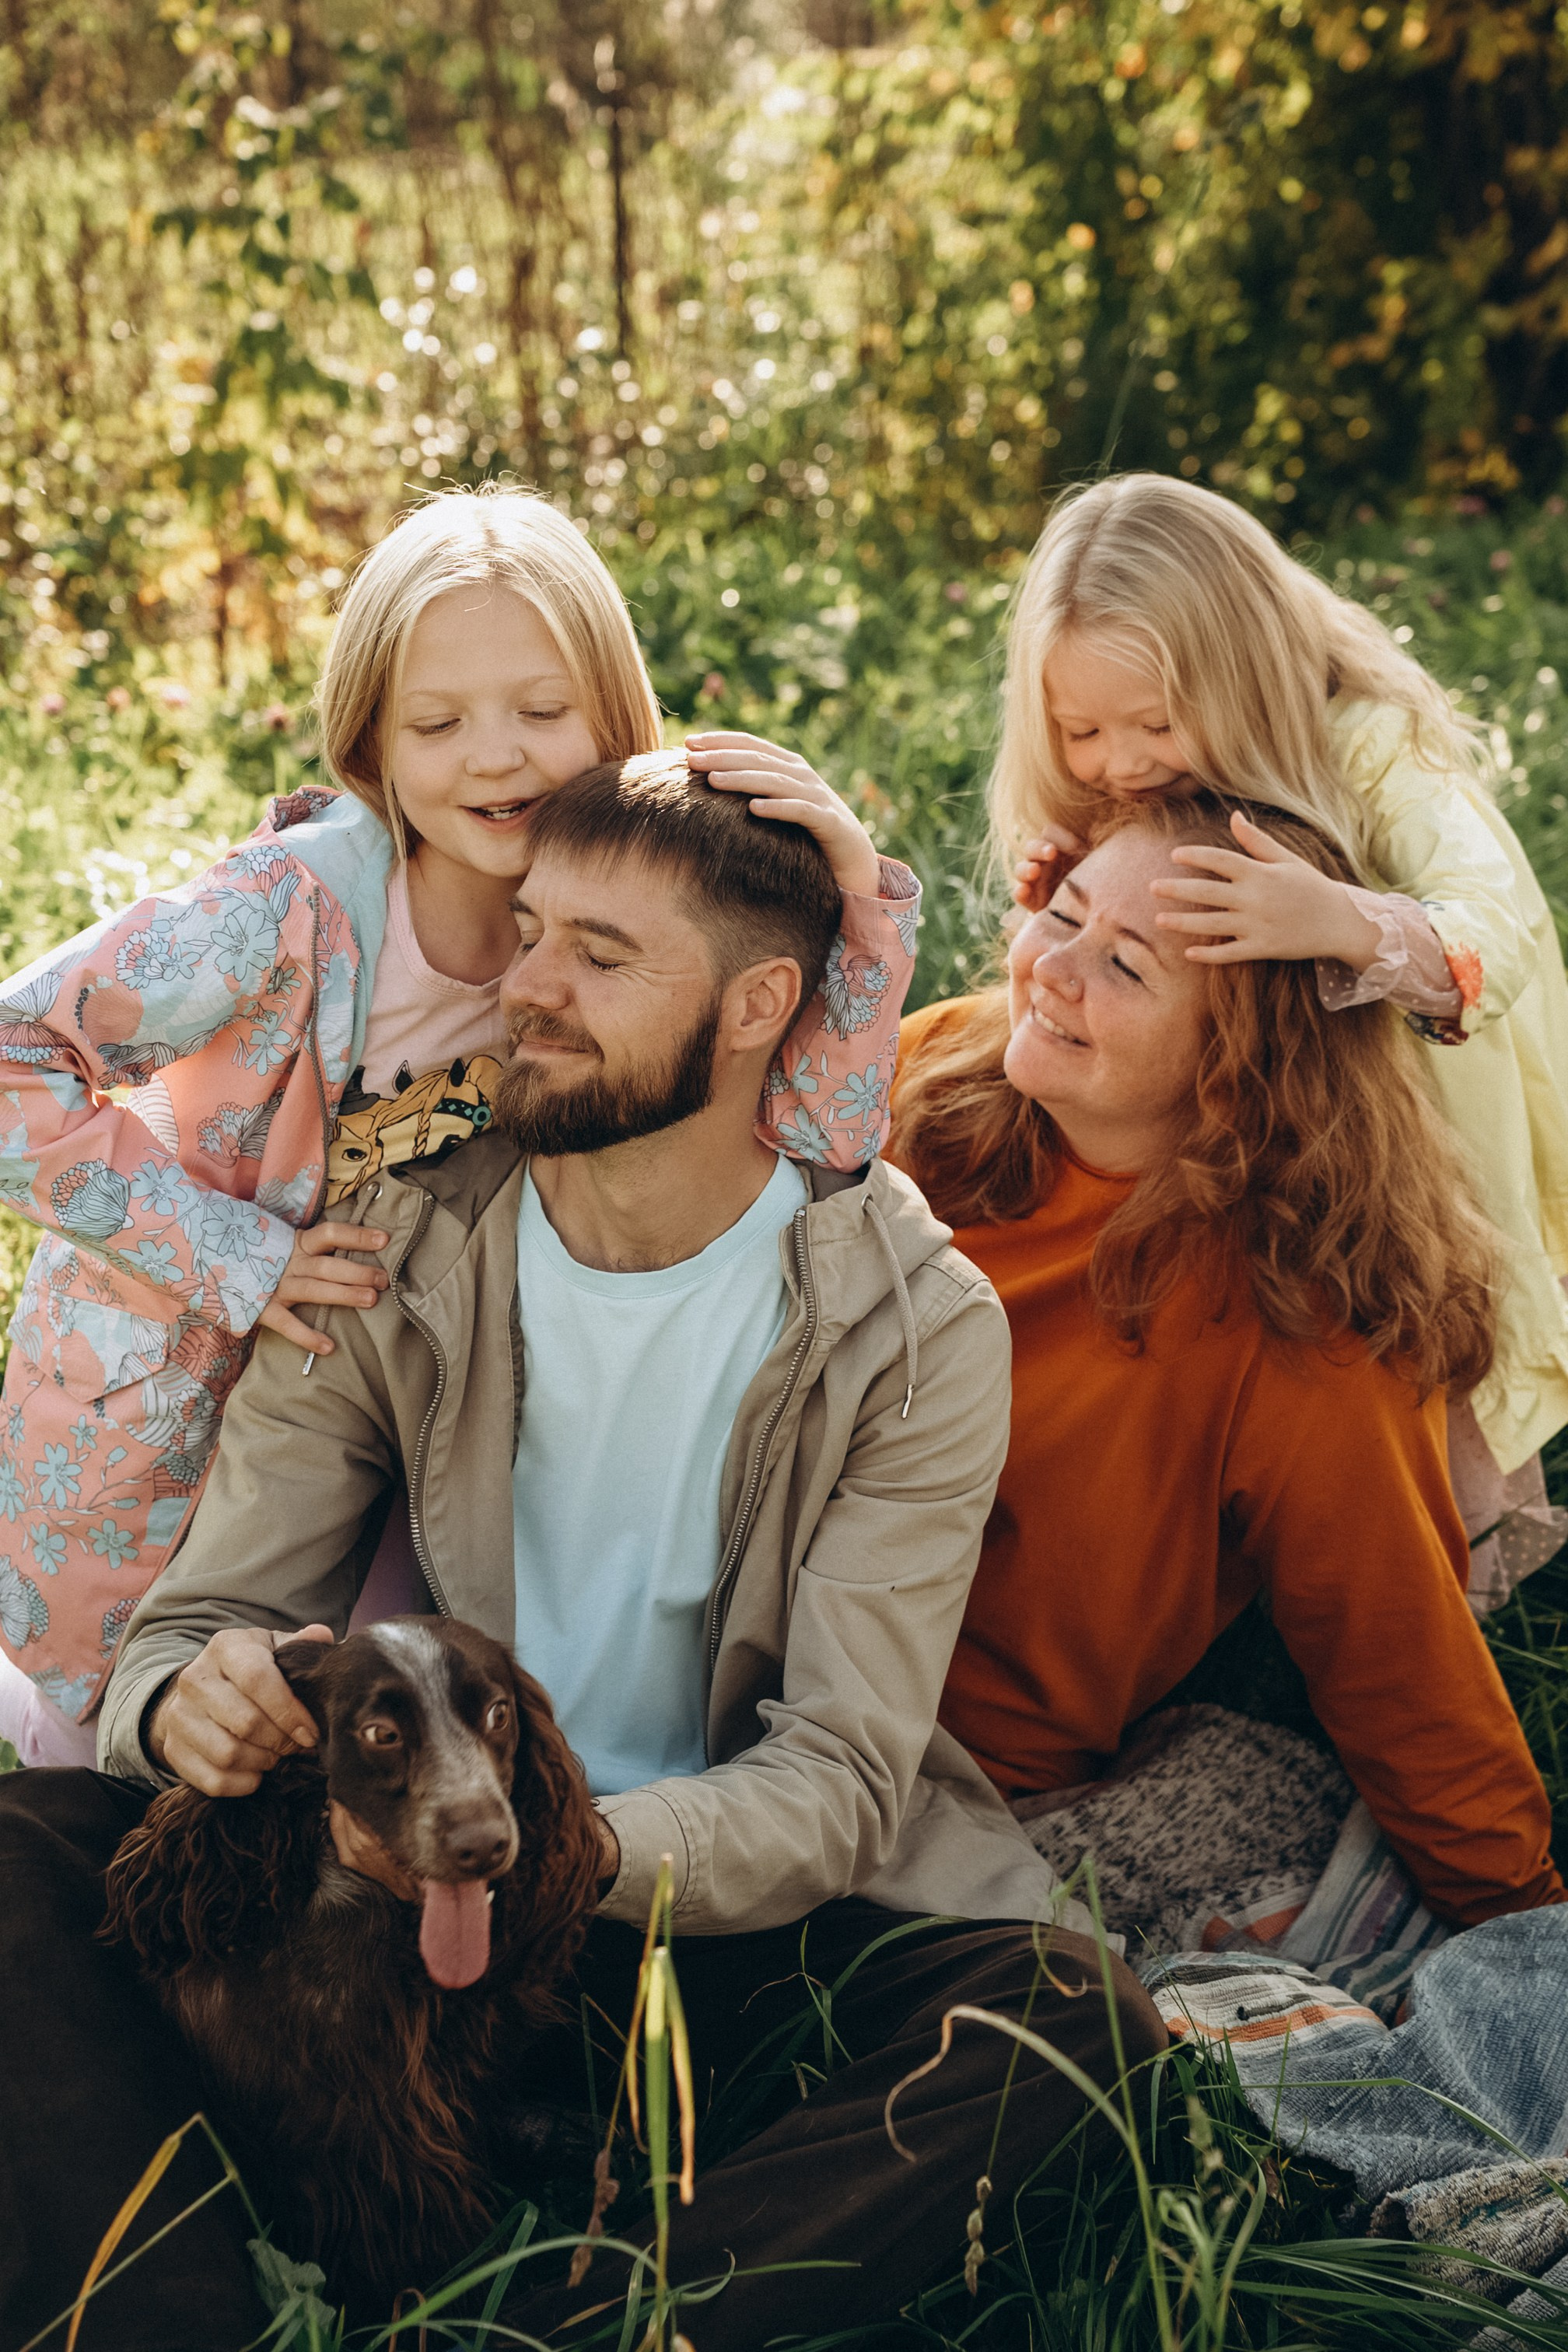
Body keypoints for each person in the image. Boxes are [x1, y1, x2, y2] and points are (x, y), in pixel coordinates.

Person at [0, 755, 1165, 2352]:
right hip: (381, 1893)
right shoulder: (400, 1233)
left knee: (1065, 2030)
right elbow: (205, 1616)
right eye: (531, 930)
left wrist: (568, 1854)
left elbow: (838, 1773)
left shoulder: (912, 1324)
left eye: (602, 957)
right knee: (19, 1848)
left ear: (759, 1004)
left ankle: (552, 2340)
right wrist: (177, 1704)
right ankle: (171, 2320)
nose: (525, 987)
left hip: (702, 1916)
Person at [0, 485, 920, 1763]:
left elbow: (815, 1136)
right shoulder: (286, 913)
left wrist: (861, 903)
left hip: (397, 1412)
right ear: (370, 743)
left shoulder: (637, 925)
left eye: (543, 713)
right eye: (437, 722)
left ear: (617, 714)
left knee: (368, 1750)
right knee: (141, 1752)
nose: (496, 756)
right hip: (183, 1406)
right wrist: (230, 1257)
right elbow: (12, 1054)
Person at [891, 793, 1565, 1934]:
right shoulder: (942, 1074)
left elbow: (1401, 1668)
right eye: (1061, 914)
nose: (1054, 971)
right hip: (714, 1623)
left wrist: (1526, 1930)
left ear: (1236, 1066)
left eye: (1130, 968)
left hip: (931, 1767)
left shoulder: (1297, 1328)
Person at [992, 473, 1568, 1605]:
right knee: (1283, 1322)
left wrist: (1339, 921)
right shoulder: (1127, 775)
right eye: (1082, 731)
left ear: (1245, 674)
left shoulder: (1369, 747)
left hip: (1410, 1120)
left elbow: (1496, 921)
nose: (1119, 760)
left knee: (1423, 1320)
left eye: (1156, 724)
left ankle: (1470, 1597)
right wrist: (1084, 883)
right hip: (1245, 1108)